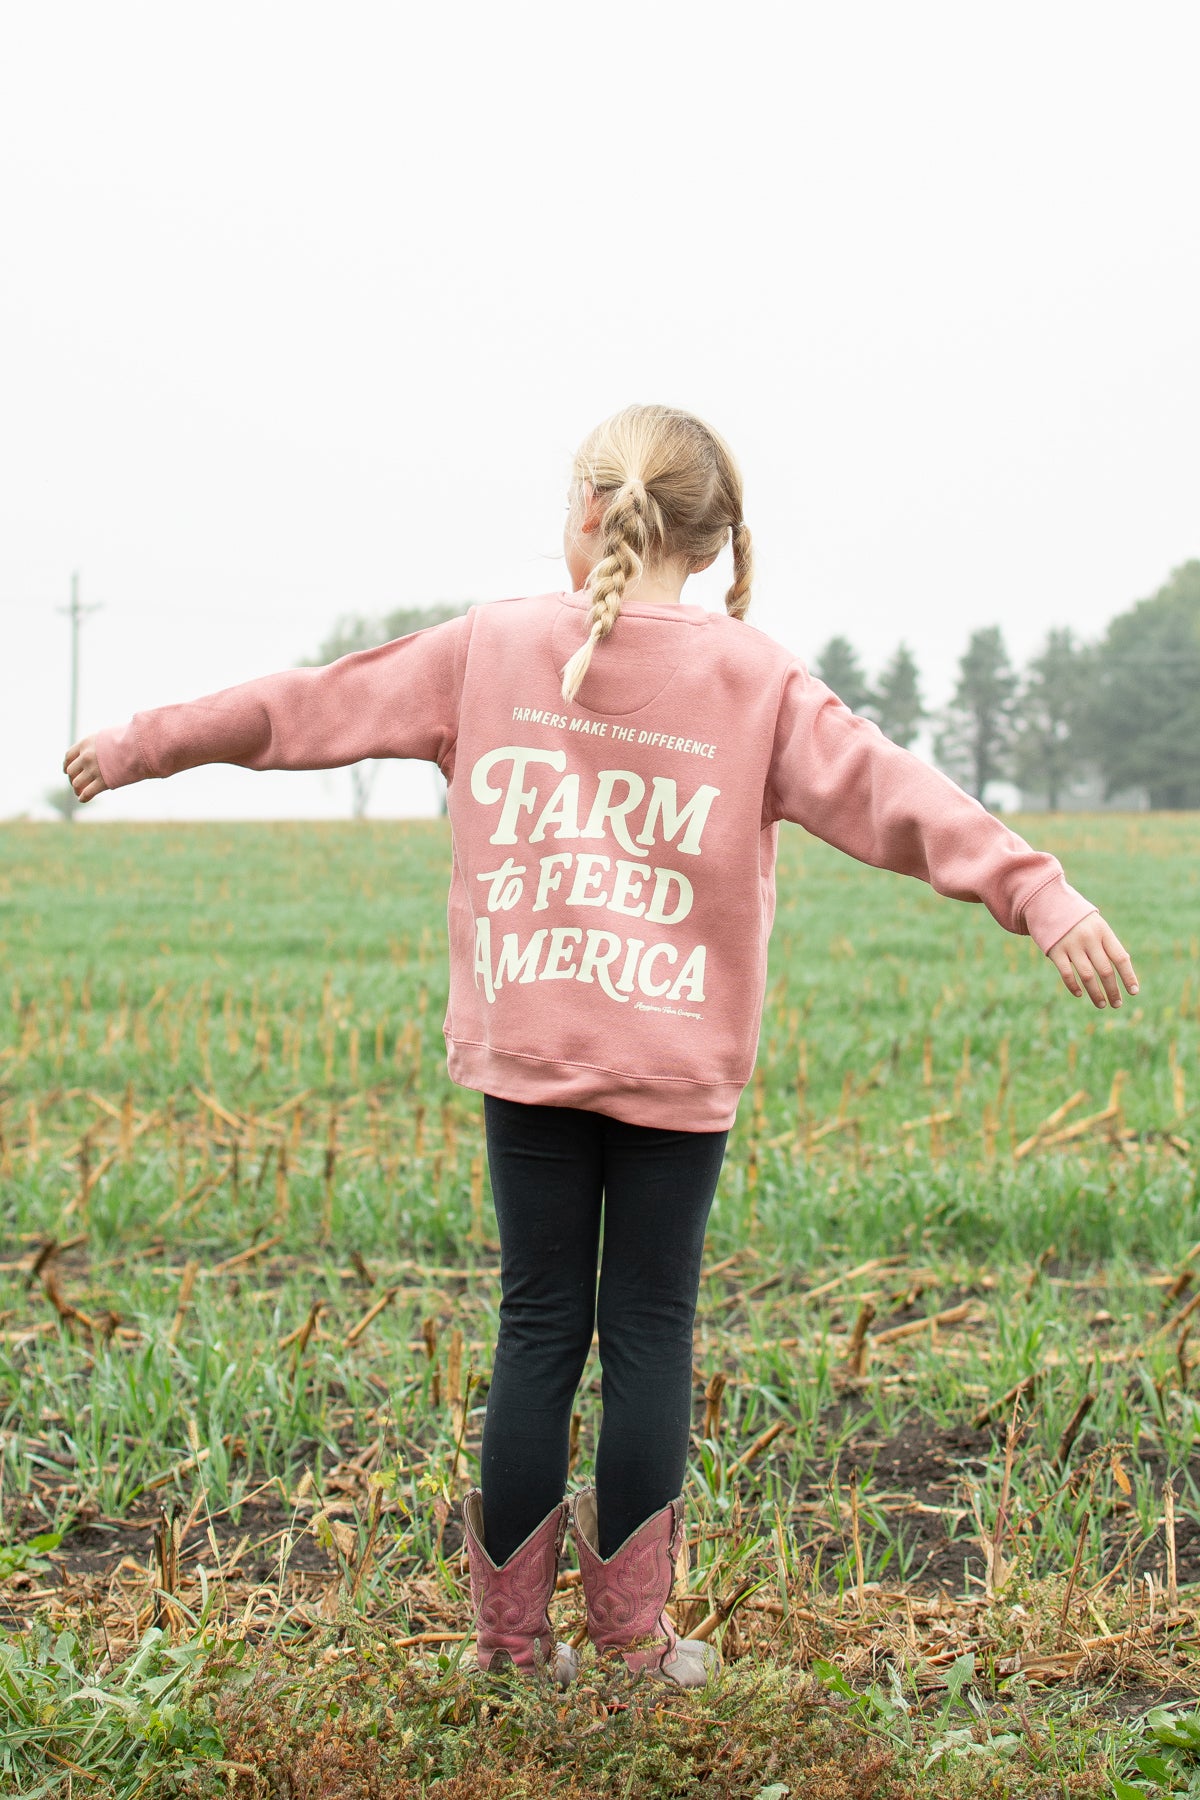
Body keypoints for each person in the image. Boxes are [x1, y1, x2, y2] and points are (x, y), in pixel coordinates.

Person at [64, 403, 1138, 1689]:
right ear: (716, 537)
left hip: (531, 1048)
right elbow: (898, 795)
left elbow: (302, 707)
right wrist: (1037, 893)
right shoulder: (759, 681)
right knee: (648, 1333)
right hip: (679, 1067)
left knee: (536, 1328)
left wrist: (143, 744)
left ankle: (510, 1648)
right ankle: (633, 1645)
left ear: (587, 510)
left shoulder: (489, 647)